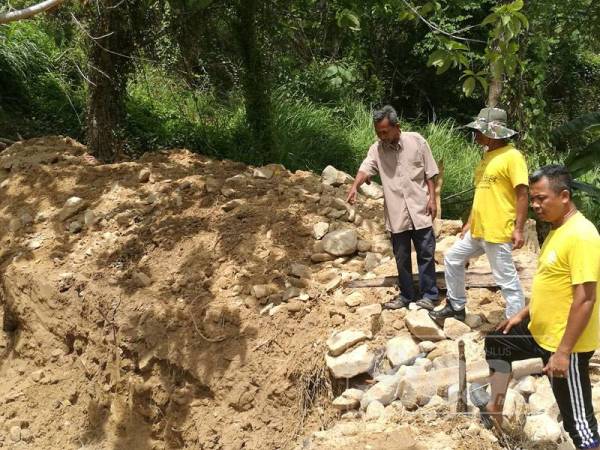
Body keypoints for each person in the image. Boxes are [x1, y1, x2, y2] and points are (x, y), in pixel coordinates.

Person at [475, 165, 600, 449]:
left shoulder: (582, 235)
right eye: (532, 199)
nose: (534, 205)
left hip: (564, 343)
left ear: (564, 196)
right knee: (498, 342)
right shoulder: (557, 231)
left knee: (580, 426)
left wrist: (563, 353)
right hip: (540, 333)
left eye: (541, 198)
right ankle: (494, 411)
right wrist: (522, 313)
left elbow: (585, 299)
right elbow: (550, 285)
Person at [429, 107, 528, 321]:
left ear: (492, 133)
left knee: (506, 281)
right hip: (478, 230)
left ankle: (516, 325)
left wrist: (518, 228)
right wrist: (469, 222)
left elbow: (522, 193)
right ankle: (456, 306)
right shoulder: (487, 157)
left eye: (479, 131)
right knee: (453, 259)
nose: (476, 134)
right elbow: (482, 194)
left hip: (498, 230)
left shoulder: (512, 157)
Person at [346, 105, 439, 309]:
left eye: (385, 132)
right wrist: (355, 186)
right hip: (397, 214)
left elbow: (430, 173)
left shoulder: (416, 141)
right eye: (378, 132)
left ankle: (429, 296)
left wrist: (432, 200)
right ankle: (407, 296)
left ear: (397, 126)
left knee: (426, 253)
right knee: (402, 257)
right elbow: (365, 169)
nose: (381, 136)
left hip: (420, 208)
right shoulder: (376, 149)